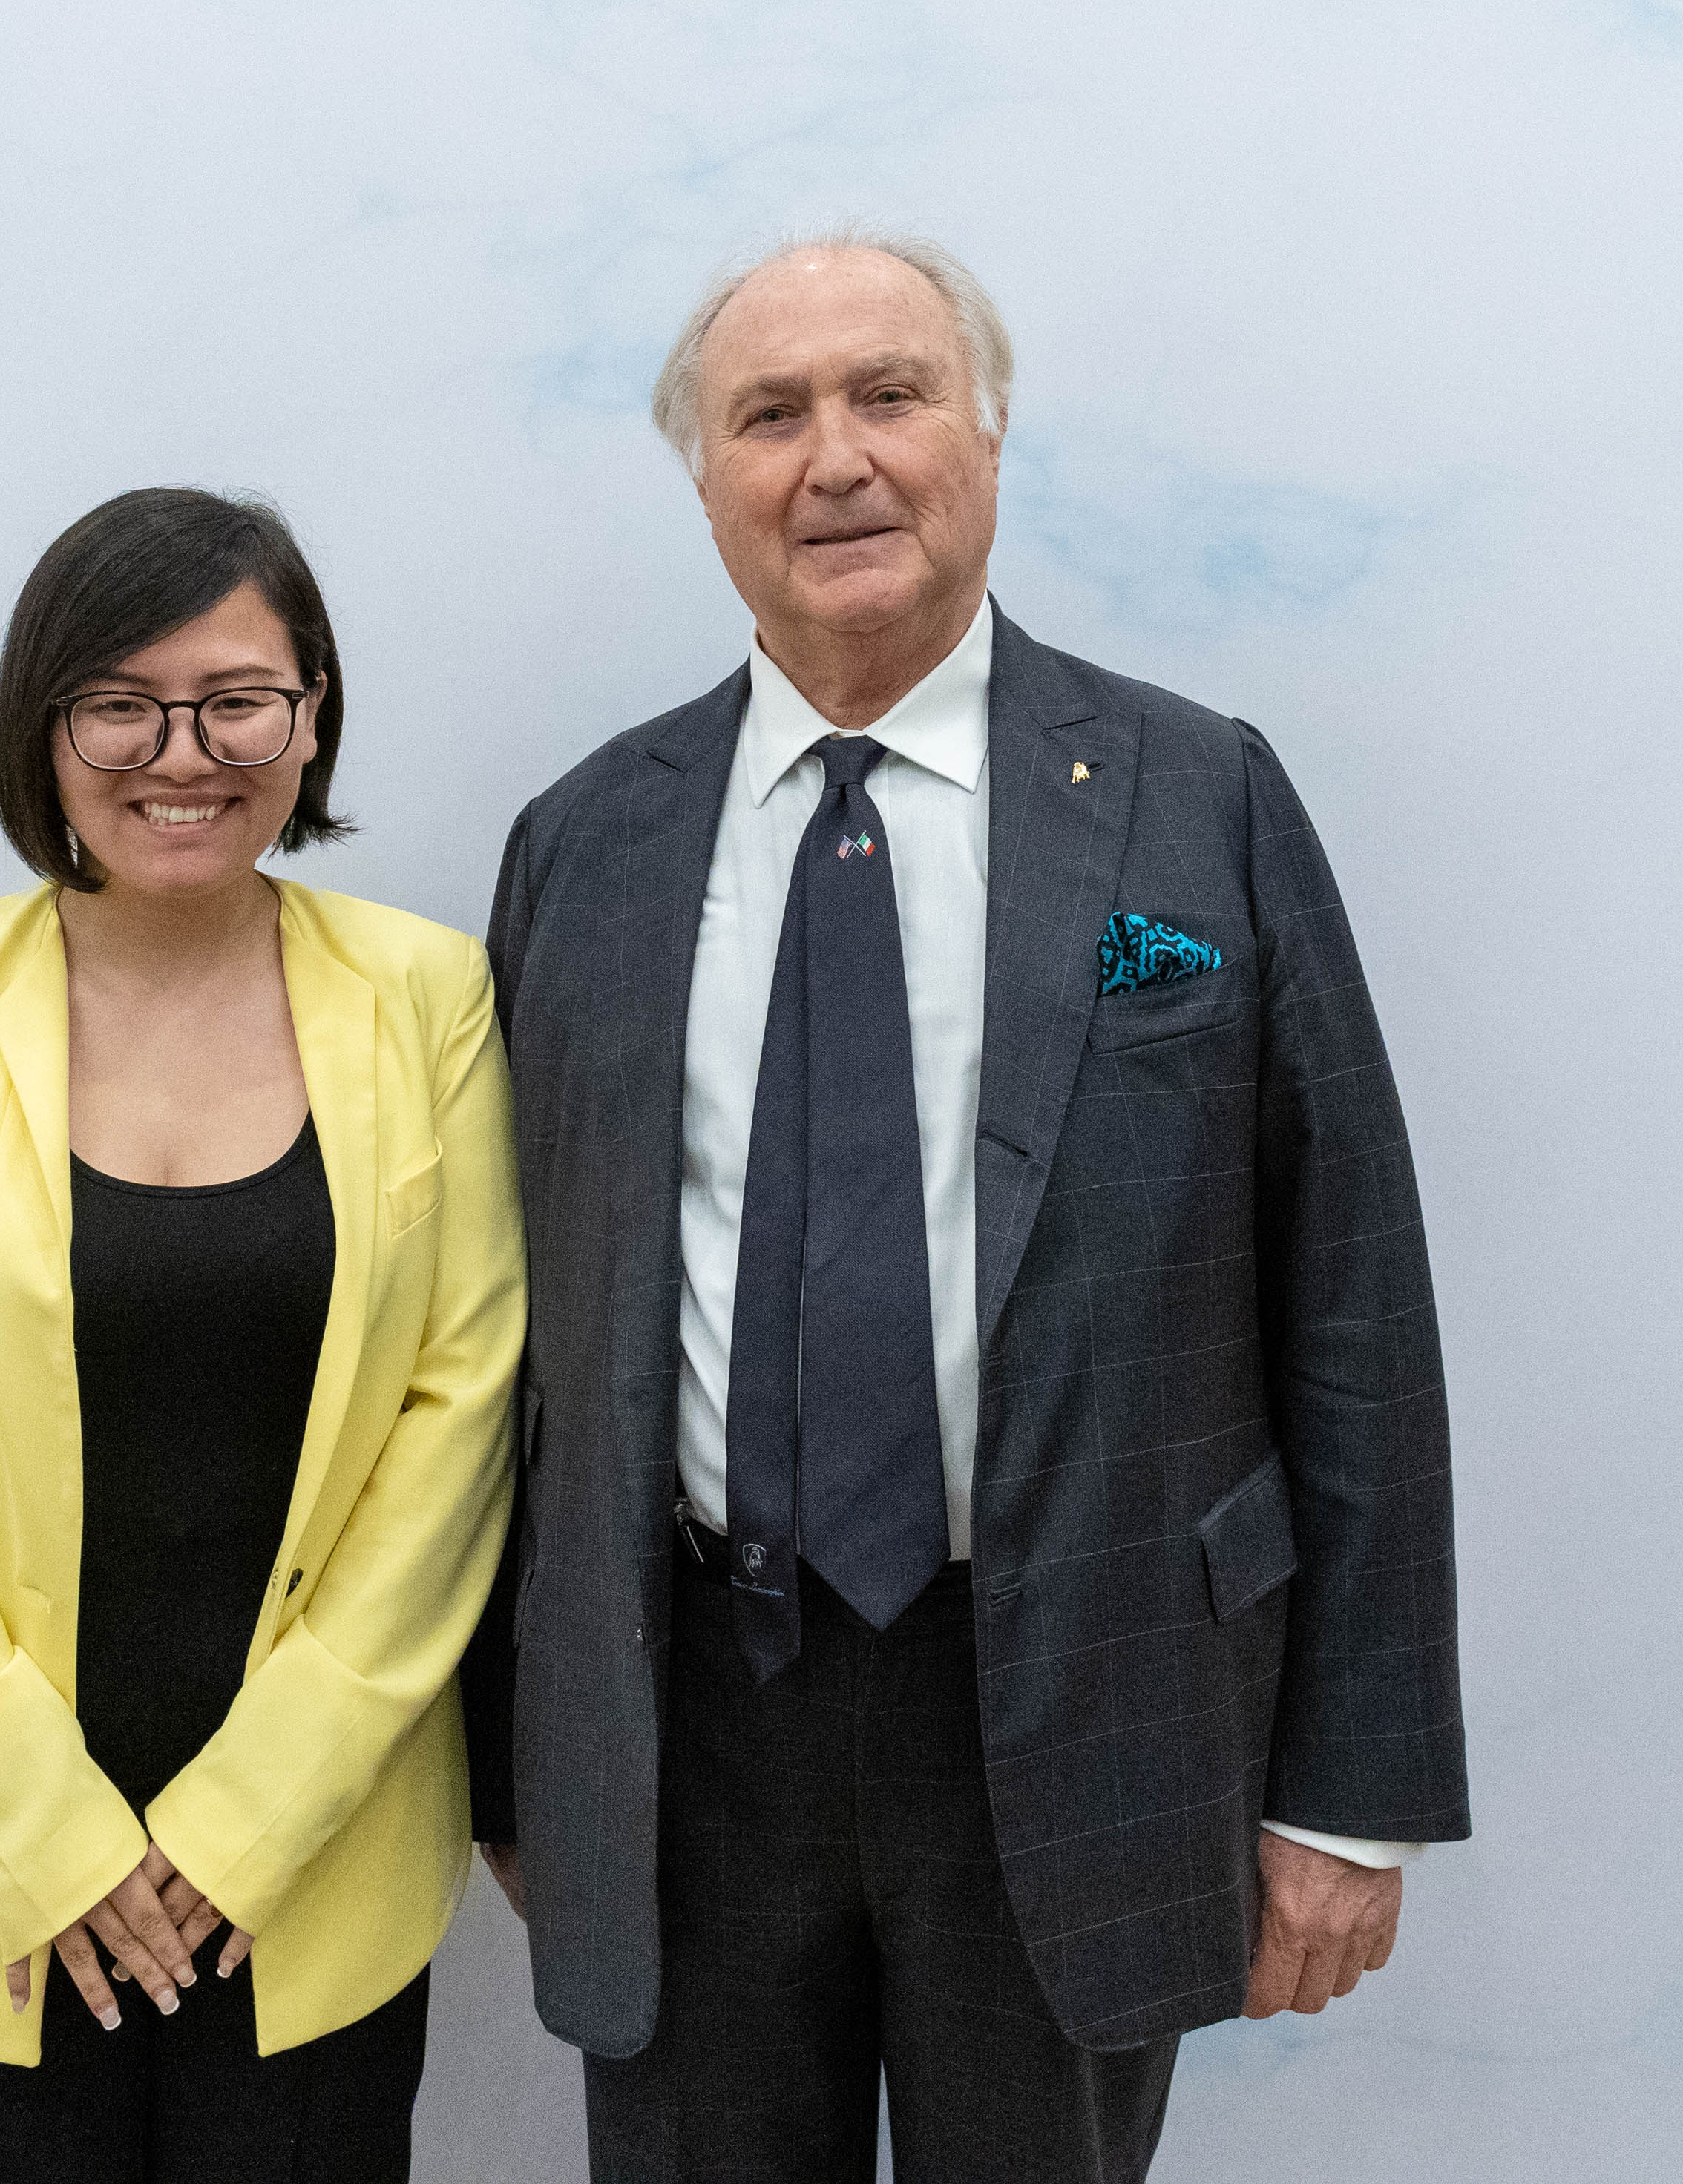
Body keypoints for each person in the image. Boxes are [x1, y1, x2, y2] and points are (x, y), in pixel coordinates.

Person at [462, 233, 1470, 2183]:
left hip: (1085, 1704)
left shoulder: (1198, 793)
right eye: (770, 414)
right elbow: (506, 1344)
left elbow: (1350, 1295)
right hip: (687, 1728)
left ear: (986, 436)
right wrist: (519, 1752)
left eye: (889, 393)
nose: (834, 456)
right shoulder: (583, 843)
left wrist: (1350, 1791)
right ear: (706, 483)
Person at [0, 487, 522, 2183]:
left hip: (314, 1853)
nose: (181, 754)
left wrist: (256, 1815)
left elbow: (460, 1407)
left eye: (237, 699)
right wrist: (41, 1825)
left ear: (311, 714)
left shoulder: (429, 995)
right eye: (118, 704)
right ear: (41, 729)